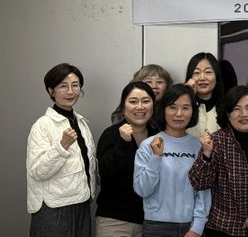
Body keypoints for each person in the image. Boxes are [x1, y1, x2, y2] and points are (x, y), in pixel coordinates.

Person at [189, 85, 248, 237]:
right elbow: (199, 183)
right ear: (228, 113)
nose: (244, 114)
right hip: (222, 227)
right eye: (237, 109)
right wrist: (207, 154)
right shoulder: (216, 140)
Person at [27, 63, 98, 237]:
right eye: (63, 86)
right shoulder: (42, 125)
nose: (70, 91)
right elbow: (37, 171)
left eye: (75, 85)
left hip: (82, 203)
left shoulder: (81, 123)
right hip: (54, 208)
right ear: (51, 91)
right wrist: (62, 146)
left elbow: (89, 165)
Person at [133, 84, 210, 236]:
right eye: (173, 107)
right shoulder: (148, 145)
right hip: (156, 226)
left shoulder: (198, 146)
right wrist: (155, 157)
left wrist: (197, 227)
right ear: (163, 110)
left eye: (185, 108)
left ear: (193, 111)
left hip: (191, 226)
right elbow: (142, 190)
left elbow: (203, 190)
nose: (179, 114)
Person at [96, 81, 159, 236]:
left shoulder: (158, 136)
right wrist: (123, 143)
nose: (140, 107)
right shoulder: (111, 134)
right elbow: (104, 174)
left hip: (150, 221)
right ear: (123, 107)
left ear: (153, 105)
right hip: (114, 220)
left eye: (146, 101)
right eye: (133, 101)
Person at [185, 52, 225, 137]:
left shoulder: (226, 108)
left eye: (208, 72)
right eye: (196, 73)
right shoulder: (182, 108)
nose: (202, 78)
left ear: (216, 77)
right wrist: (187, 93)